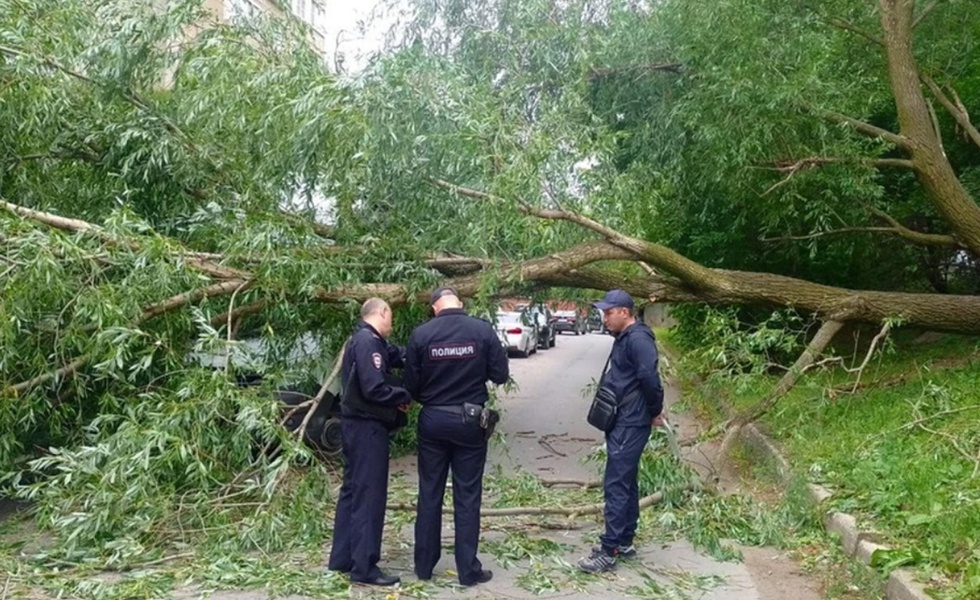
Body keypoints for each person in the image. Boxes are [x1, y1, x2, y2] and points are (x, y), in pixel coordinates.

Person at [404, 287, 509, 586]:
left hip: (433, 420)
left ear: (435, 308)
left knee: (429, 492)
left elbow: (411, 386)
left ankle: (424, 566)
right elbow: (500, 374)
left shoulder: (421, 335)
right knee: (467, 495)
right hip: (470, 422)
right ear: (459, 304)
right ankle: (468, 570)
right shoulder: (482, 330)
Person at [578, 289, 665, 574]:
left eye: (608, 312)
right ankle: (625, 541)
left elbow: (650, 378)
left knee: (616, 484)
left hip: (631, 420)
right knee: (626, 480)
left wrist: (654, 411)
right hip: (624, 419)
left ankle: (609, 550)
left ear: (624, 312)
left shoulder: (638, 339)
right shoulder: (625, 337)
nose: (604, 318)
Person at [328, 298, 411, 586]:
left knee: (352, 492)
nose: (393, 323)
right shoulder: (367, 343)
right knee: (369, 496)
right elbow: (374, 389)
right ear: (383, 312)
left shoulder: (367, 339)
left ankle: (342, 558)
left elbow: (396, 354)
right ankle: (364, 568)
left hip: (356, 427)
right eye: (391, 316)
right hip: (367, 428)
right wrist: (405, 396)